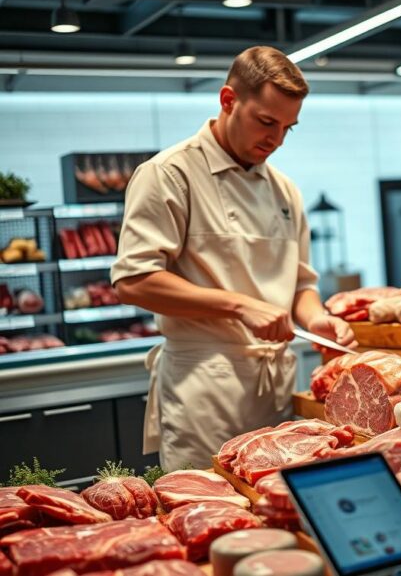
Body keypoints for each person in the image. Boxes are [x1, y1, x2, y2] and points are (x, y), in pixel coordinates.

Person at [111, 46, 356, 470]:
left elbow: (301, 284)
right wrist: (240, 305)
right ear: (228, 101)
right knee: (212, 514)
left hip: (277, 389)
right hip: (204, 388)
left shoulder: (285, 190)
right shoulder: (170, 174)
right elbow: (134, 280)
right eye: (266, 122)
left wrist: (316, 320)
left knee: (276, 512)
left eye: (287, 128)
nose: (276, 140)